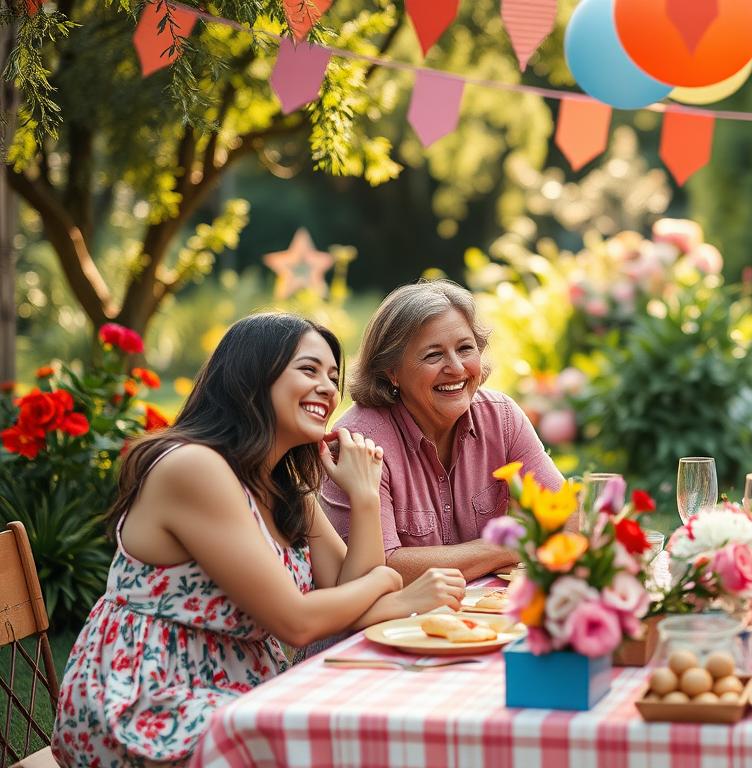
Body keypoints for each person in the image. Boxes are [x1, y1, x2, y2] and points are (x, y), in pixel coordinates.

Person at [53, 313, 465, 766]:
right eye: (308, 370)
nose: (328, 389)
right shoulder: (195, 468)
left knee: (383, 727)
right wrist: (390, 580)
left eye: (332, 376)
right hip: (149, 699)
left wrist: (365, 497)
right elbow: (300, 623)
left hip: (242, 688)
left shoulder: (283, 486)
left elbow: (346, 597)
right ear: (251, 376)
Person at [321, 280, 563, 583]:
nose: (457, 368)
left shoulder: (502, 417)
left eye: (465, 349)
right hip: (390, 626)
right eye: (433, 355)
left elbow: (563, 515)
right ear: (391, 372)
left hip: (484, 620)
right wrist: (505, 546)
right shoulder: (358, 442)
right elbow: (379, 569)